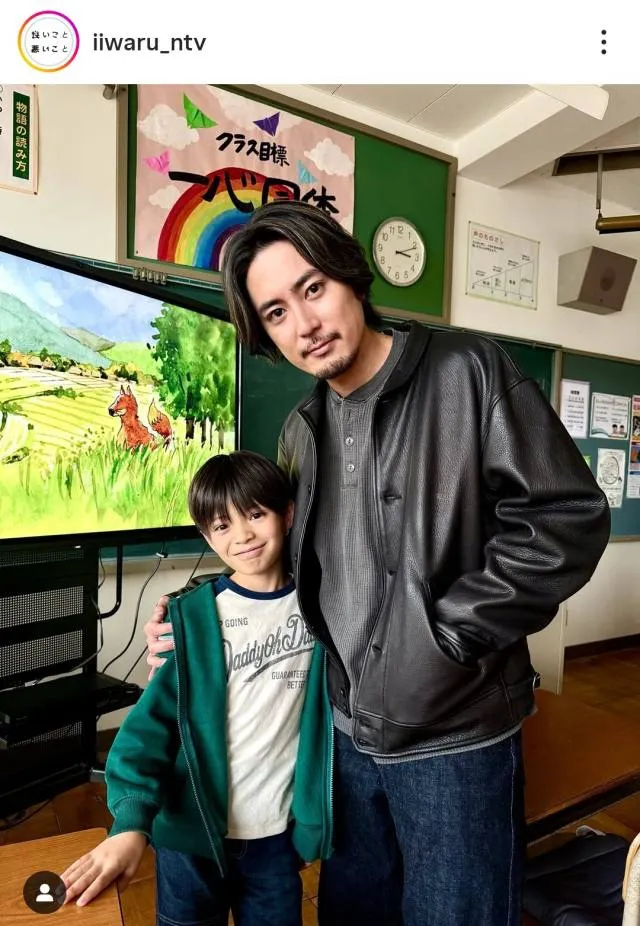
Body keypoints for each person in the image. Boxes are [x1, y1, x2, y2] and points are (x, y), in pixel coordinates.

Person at [144, 201, 611, 926]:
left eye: (313, 288)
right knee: (354, 911)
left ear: (351, 277)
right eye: (275, 313)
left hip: (454, 733)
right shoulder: (301, 430)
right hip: (343, 735)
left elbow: (565, 516)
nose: (305, 323)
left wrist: (450, 636)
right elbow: (297, 558)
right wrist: (199, 614)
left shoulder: (468, 372)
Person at [61, 450, 333, 926]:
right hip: (189, 838)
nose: (242, 535)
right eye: (222, 525)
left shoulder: (321, 609)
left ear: (287, 514)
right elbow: (148, 731)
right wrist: (130, 824)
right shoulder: (189, 618)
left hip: (276, 838)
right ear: (207, 536)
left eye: (255, 514)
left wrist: (310, 825)